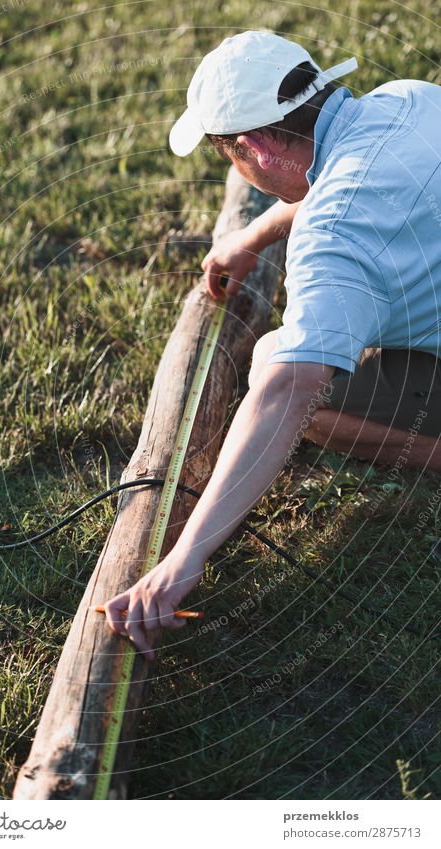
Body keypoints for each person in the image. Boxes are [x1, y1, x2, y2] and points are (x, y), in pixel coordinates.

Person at [104, 30, 441, 660]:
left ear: (254, 146)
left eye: (229, 158)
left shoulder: (333, 233)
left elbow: (290, 390)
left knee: (293, 381)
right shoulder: (408, 100)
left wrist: (185, 558)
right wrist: (258, 230)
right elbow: (355, 179)